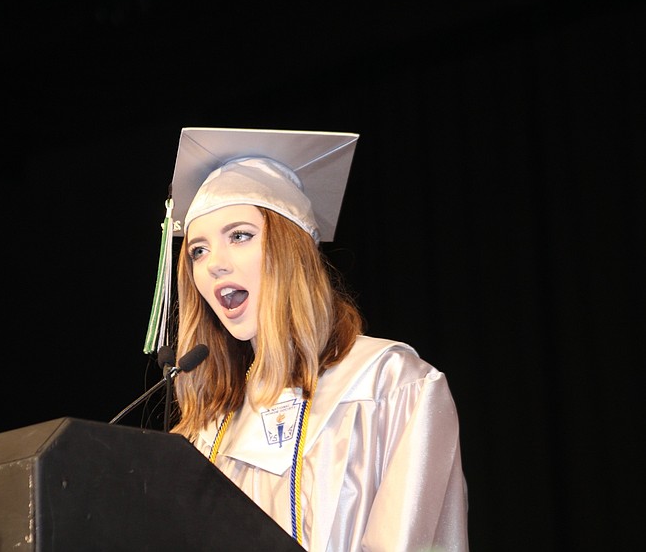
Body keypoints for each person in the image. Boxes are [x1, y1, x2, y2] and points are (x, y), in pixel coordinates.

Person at [146, 127, 469, 551]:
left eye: (239, 235)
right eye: (198, 251)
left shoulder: (390, 385)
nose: (214, 265)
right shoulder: (207, 431)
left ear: (291, 251)